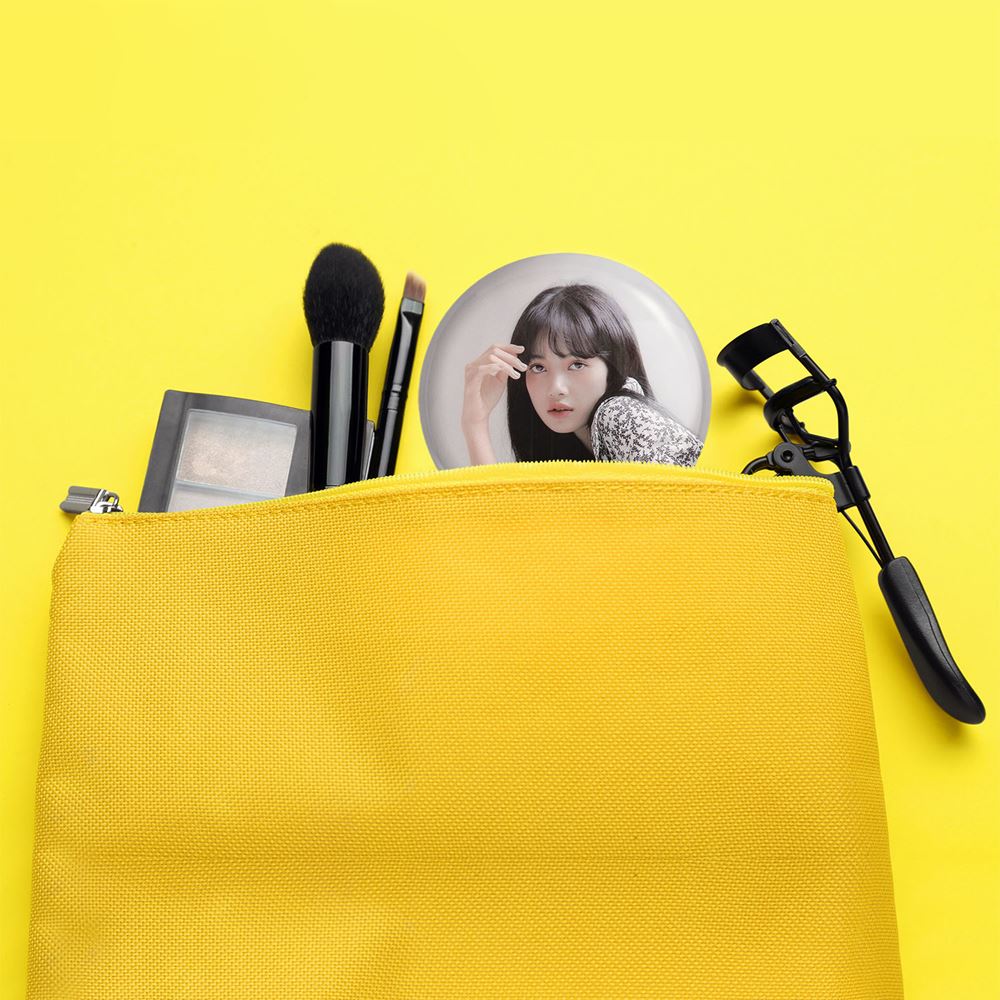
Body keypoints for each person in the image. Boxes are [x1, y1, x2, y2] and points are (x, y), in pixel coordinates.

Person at [461, 283, 703, 467]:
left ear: (612, 366)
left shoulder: (619, 414)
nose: (556, 388)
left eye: (576, 364)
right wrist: (475, 423)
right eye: (538, 367)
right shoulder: (571, 445)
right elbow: (507, 517)